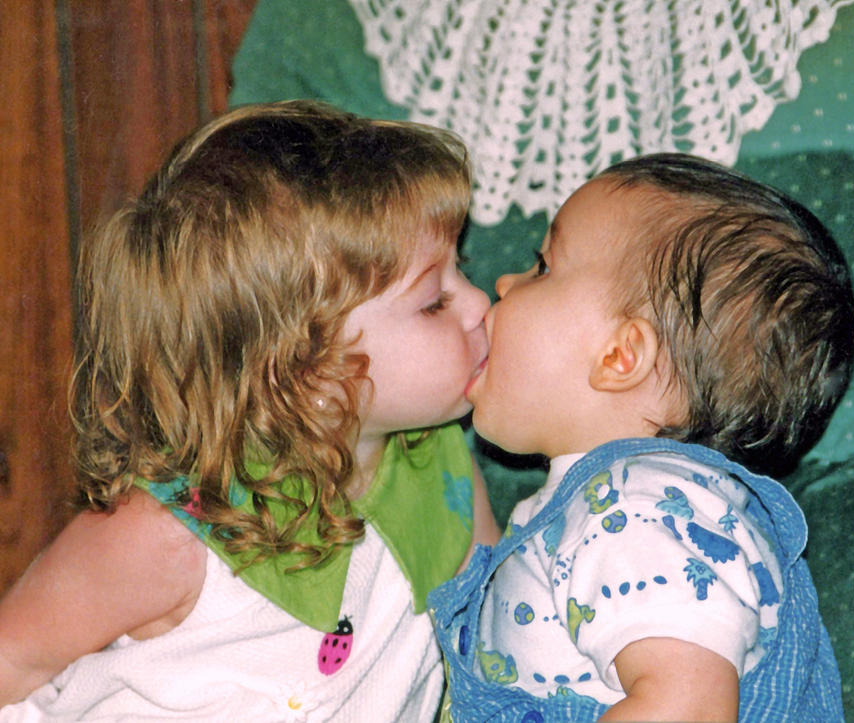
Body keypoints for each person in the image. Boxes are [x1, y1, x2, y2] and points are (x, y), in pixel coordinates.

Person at [0, 100, 499, 721]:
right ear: (304, 368)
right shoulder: (169, 531)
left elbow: (495, 638)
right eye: (434, 301)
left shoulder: (444, 466)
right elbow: (11, 658)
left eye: (464, 269)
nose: (480, 301)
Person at [429, 153, 854, 721]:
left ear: (620, 355)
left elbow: (690, 707)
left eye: (542, 266)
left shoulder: (637, 512)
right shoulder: (627, 508)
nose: (505, 282)